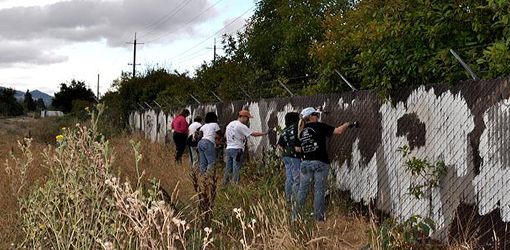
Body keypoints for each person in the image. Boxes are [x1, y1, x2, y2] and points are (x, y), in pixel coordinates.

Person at [295, 107, 358, 221]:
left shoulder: (302, 130)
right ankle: (319, 218)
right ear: (312, 116)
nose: (318, 117)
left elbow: (298, 149)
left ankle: (295, 216)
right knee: (319, 190)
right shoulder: (318, 126)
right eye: (317, 115)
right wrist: (348, 124)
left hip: (305, 163)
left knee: (303, 190)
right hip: (320, 162)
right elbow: (338, 131)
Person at [224, 110, 269, 185]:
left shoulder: (230, 124)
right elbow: (253, 134)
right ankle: (235, 185)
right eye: (247, 118)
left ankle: (225, 184)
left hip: (229, 149)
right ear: (243, 117)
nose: (247, 120)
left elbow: (225, 135)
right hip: (237, 150)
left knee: (228, 168)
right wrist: (265, 133)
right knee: (236, 168)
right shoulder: (241, 126)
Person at [277, 112, 301, 204]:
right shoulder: (296, 126)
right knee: (297, 179)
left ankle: (287, 199)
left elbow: (279, 146)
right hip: (294, 156)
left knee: (289, 178)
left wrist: (285, 151)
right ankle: (294, 199)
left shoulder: (284, 130)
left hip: (286, 156)